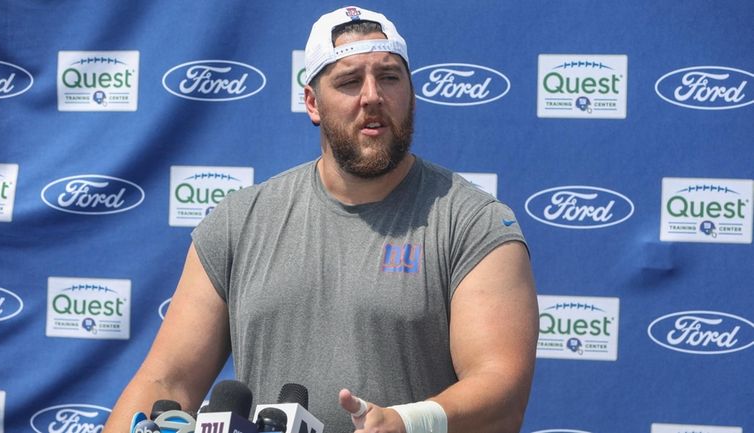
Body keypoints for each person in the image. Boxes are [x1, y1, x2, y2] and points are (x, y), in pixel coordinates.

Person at [103, 6, 538, 433]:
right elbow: (167, 381)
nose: (373, 96)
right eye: (349, 81)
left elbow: (501, 392)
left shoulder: (473, 222)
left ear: (411, 92)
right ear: (312, 103)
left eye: (389, 77)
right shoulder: (238, 222)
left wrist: (407, 422)